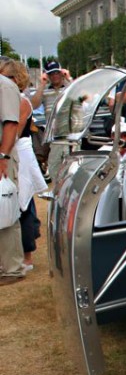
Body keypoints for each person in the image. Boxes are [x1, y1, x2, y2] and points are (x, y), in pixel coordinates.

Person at [7, 61, 47, 270]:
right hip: (10, 154)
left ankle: (27, 255)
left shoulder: (22, 103)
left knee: (24, 206)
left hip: (19, 155)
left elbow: (13, 131)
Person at [0, 56, 27, 285]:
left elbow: (11, 123)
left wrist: (3, 156)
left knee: (5, 208)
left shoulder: (5, 86)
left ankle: (12, 267)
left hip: (2, 155)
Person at [29, 60, 72, 177]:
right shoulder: (46, 91)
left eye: (57, 73)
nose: (55, 76)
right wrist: (42, 84)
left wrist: (69, 78)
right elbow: (34, 104)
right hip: (54, 138)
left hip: (71, 136)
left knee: (72, 171)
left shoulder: (69, 88)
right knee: (55, 170)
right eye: (51, 74)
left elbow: (81, 97)